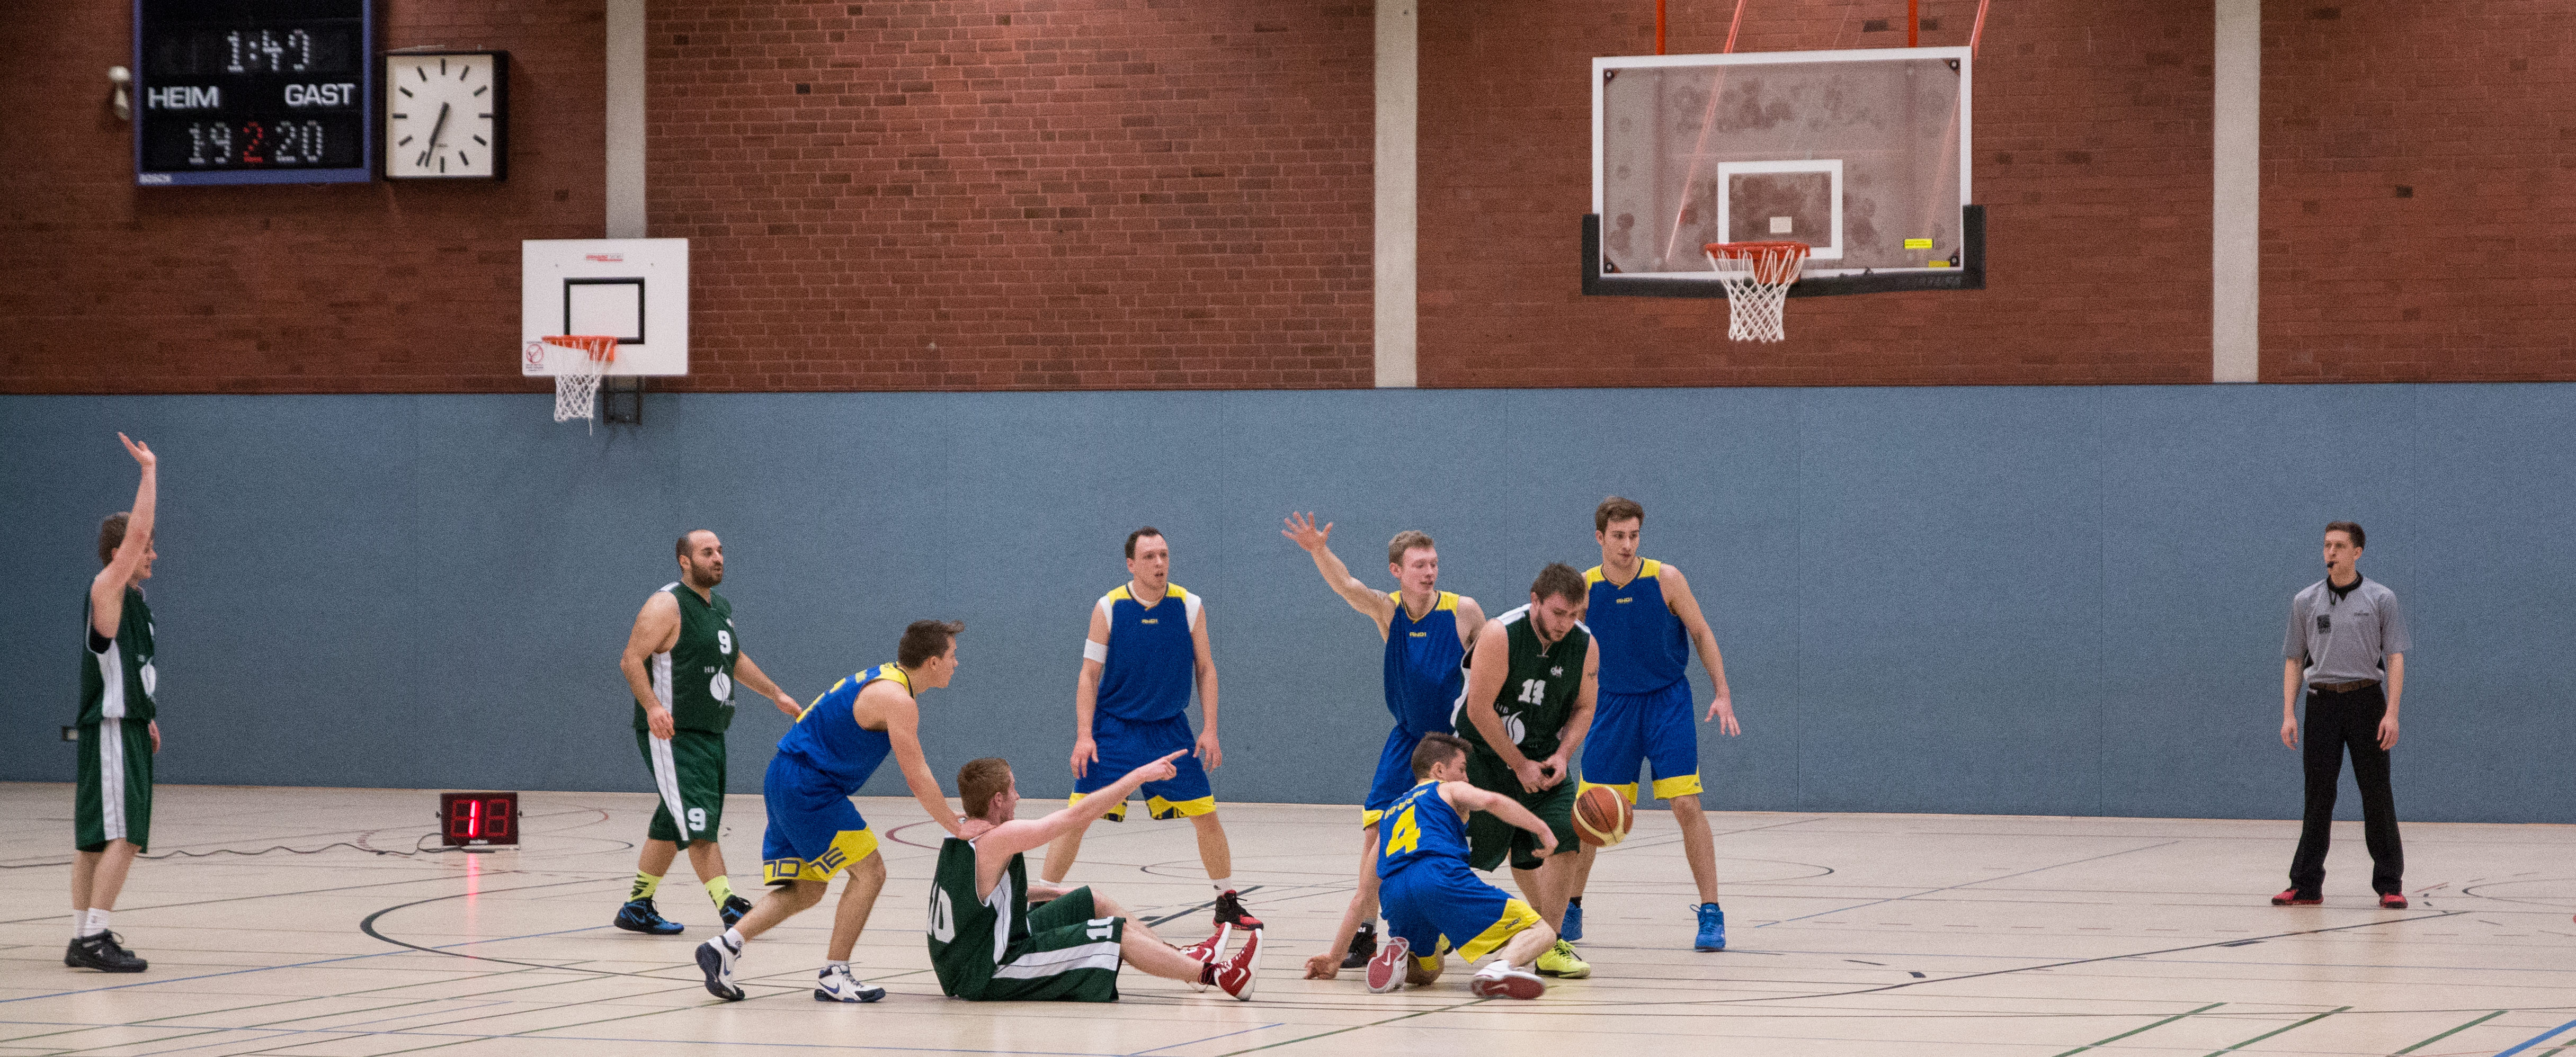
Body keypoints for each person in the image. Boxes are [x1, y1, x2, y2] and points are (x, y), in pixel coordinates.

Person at [695, 620, 970, 1002]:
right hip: (809, 786)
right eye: (953, 656)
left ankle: (723, 947)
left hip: (786, 775)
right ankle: (835, 974)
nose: (957, 663)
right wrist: (955, 825)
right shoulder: (898, 700)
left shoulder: (885, 678)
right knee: (871, 872)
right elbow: (916, 775)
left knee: (807, 889)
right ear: (933, 662)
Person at [1281, 514, 1486, 978]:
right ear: (1397, 571)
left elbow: (1495, 660)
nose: (1429, 572)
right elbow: (1347, 586)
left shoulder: (1463, 611)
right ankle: (1364, 933)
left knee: (1454, 838)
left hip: (1452, 743)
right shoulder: (1388, 611)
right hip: (1407, 741)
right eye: (1419, 565)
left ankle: (1462, 923)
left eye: (1433, 564)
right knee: (1376, 833)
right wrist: (1319, 550)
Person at [1041, 527, 1259, 931]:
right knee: (1077, 817)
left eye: (1163, 555)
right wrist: (1084, 735)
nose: (1159, 563)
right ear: (1131, 564)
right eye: (1149, 557)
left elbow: (1206, 669)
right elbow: (1089, 674)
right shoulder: (1109, 607)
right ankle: (1040, 900)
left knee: (1206, 815)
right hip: (1114, 731)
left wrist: (1210, 728)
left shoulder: (1189, 605)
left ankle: (1226, 901)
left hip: (1169, 731)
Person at [929, 751, 1262, 1001]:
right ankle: (1217, 976)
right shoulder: (997, 839)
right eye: (1013, 788)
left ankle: (1182, 961)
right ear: (997, 799)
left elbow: (983, 897)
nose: (1018, 796)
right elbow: (1076, 815)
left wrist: (1052, 894)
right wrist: (1139, 776)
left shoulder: (959, 829)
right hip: (985, 970)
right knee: (1113, 933)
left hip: (971, 953)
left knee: (1092, 900)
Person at [1564, 496, 1742, 951]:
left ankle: (1711, 913)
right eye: (1618, 536)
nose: (1627, 545)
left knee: (1685, 805)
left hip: (1666, 703)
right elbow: (1568, 652)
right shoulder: (1585, 589)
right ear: (1600, 538)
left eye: (1634, 535)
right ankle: (1571, 908)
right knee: (1590, 812)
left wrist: (1721, 692)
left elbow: (1700, 632)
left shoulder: (1666, 579)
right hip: (1611, 708)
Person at [614, 530, 806, 936]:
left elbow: (732, 658)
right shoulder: (666, 603)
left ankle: (637, 905)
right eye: (707, 552)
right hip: (673, 734)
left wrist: (774, 693)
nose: (718, 558)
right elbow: (631, 659)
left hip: (710, 731)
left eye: (720, 551)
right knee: (698, 821)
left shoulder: (719, 606)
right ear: (685, 561)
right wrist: (653, 707)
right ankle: (728, 904)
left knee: (676, 817)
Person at [1452, 562, 1597, 979]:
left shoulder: (1585, 644)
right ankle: (1434, 926)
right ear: (1535, 601)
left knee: (1567, 833)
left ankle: (1549, 942)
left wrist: (1564, 755)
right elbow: (1479, 709)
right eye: (1558, 613)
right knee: (1463, 850)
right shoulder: (1500, 634)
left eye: (1574, 615)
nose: (1566, 623)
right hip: (1481, 755)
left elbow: (1584, 706)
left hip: (1542, 755)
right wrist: (1518, 765)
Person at [1363, 733, 1559, 999]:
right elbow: (1492, 801)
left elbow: (1364, 892)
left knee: (1429, 972)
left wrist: (1334, 957)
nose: (1467, 778)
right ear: (1439, 770)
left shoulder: (1390, 812)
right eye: (1462, 769)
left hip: (1394, 892)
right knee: (1543, 932)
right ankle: (1499, 969)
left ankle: (1397, 959)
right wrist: (1542, 829)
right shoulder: (1446, 789)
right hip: (1438, 875)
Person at [2276, 521, 2410, 908]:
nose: (2330, 553)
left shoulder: (2381, 598)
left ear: (2357, 552)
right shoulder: (2305, 601)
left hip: (2366, 703)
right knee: (2318, 795)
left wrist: (2392, 713)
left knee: (2376, 794)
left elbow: (2395, 657)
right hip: (2321, 704)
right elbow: (2293, 659)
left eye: (2338, 546)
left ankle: (2389, 884)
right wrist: (2289, 713)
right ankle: (2305, 885)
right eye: (2326, 546)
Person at [68, 433, 160, 973]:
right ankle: (95, 938)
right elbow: (139, 531)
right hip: (110, 729)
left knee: (93, 842)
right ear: (118, 555)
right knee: (124, 837)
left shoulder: (137, 606)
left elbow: (134, 671)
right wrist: (149, 471)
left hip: (125, 725)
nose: (152, 553)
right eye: (144, 549)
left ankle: (82, 935)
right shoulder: (107, 590)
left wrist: (148, 716)